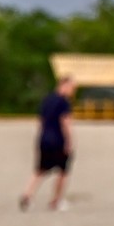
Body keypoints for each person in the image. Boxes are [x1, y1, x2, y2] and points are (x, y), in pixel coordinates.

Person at [19, 75, 76, 211]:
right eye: (72, 87)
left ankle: (27, 195)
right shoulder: (64, 102)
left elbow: (40, 121)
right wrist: (69, 141)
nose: (73, 91)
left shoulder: (47, 100)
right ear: (64, 85)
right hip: (58, 140)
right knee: (63, 171)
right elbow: (65, 122)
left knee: (40, 169)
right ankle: (56, 201)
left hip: (44, 139)